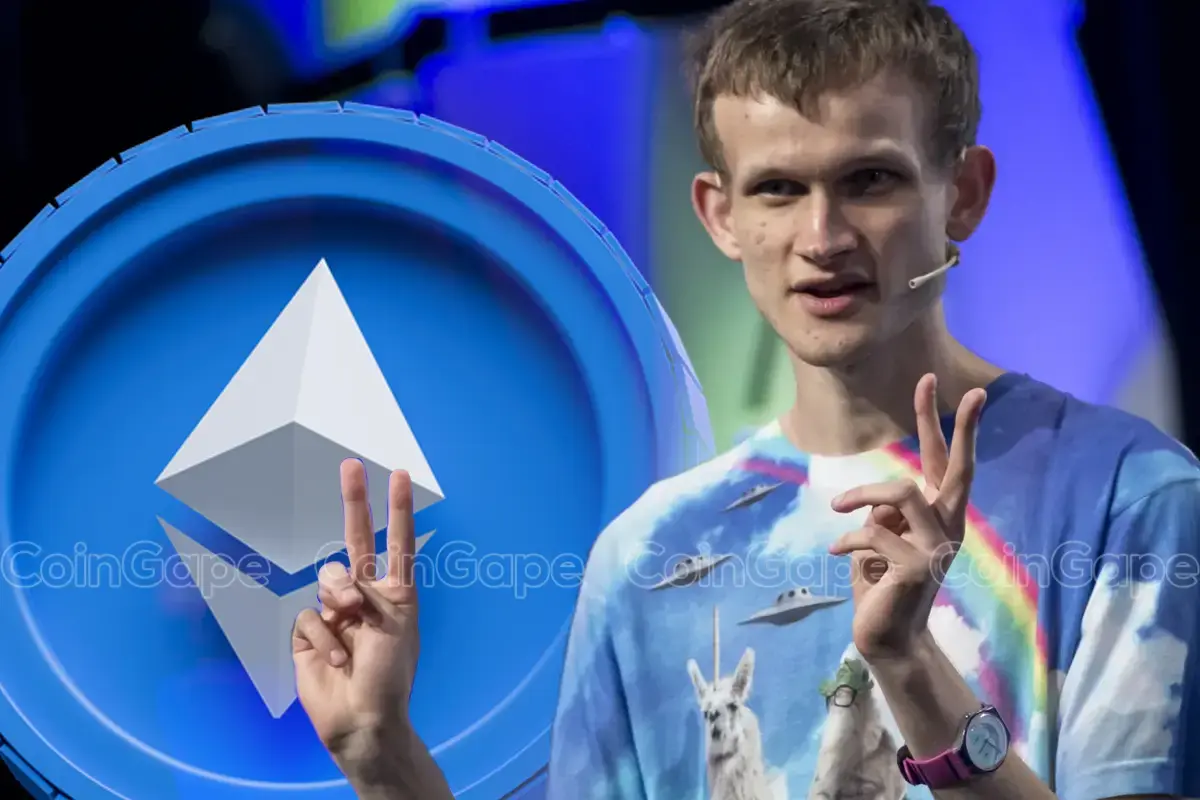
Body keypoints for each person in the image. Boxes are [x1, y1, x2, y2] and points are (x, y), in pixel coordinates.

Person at [291, 0, 1200, 798]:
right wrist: (382, 756)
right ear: (721, 215)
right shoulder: (648, 555)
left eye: (869, 180)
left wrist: (910, 665)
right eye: (778, 189)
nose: (823, 236)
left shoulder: (1128, 495)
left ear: (962, 194)